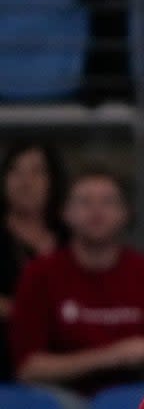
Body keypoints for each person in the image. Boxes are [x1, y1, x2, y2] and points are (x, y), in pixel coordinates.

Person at [8, 169, 144, 409]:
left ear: (125, 214)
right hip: (59, 400)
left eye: (108, 202)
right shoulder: (39, 274)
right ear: (65, 213)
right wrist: (112, 356)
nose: (96, 211)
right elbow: (28, 369)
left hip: (133, 400)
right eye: (85, 202)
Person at [0, 141, 68, 381]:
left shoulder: (72, 237)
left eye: (36, 172)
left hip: (65, 360)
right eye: (15, 171)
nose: (25, 181)